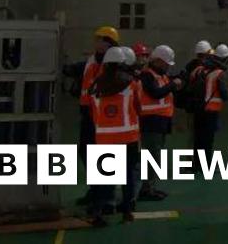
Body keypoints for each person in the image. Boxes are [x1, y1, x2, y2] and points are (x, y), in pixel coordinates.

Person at [87, 46, 142, 226]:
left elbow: (94, 114)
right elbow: (138, 108)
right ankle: (127, 212)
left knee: (103, 177)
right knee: (128, 177)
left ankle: (98, 214)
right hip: (128, 138)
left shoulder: (94, 86)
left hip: (103, 139)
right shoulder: (131, 84)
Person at [72, 25, 119, 205]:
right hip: (88, 111)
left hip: (103, 115)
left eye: (99, 39)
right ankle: (96, 189)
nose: (95, 43)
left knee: (104, 154)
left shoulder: (112, 61)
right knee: (86, 151)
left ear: (108, 42)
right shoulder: (94, 59)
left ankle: (107, 195)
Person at [138, 45, 182, 201]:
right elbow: (155, 93)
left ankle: (150, 187)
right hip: (151, 122)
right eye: (165, 64)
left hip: (160, 122)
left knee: (156, 157)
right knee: (151, 156)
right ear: (157, 61)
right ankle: (146, 189)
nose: (167, 67)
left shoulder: (161, 76)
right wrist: (172, 85)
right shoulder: (147, 76)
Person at [193, 44, 228, 152]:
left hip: (199, 108)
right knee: (208, 140)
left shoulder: (201, 69)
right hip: (211, 110)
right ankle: (207, 166)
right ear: (226, 59)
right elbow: (225, 95)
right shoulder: (219, 73)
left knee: (199, 139)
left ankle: (196, 165)